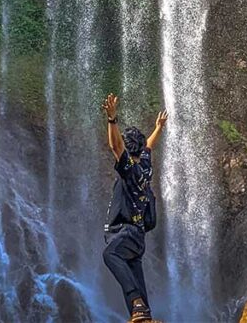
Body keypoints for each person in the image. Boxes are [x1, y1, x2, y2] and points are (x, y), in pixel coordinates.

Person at [101, 93, 168, 322]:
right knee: (137, 288)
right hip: (138, 238)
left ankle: (136, 301)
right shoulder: (145, 167)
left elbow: (116, 146)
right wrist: (158, 128)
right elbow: (149, 146)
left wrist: (112, 119)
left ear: (129, 153)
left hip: (127, 232)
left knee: (110, 254)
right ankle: (143, 312)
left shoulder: (130, 169)